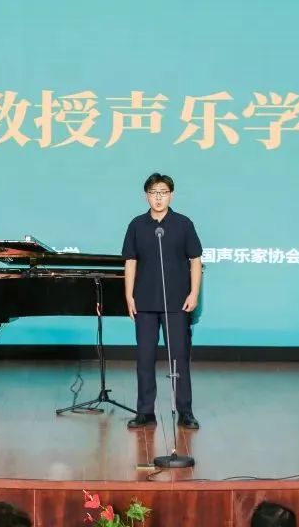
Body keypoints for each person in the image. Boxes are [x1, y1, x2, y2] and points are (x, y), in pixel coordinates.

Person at [121, 172, 202, 431]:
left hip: (177, 302)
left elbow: (195, 260)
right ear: (146, 196)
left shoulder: (183, 224)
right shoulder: (137, 225)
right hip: (144, 302)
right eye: (154, 193)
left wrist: (194, 293)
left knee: (179, 358)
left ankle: (185, 412)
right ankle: (145, 412)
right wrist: (129, 296)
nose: (158, 197)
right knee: (144, 359)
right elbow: (130, 261)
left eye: (163, 192)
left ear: (171, 195)